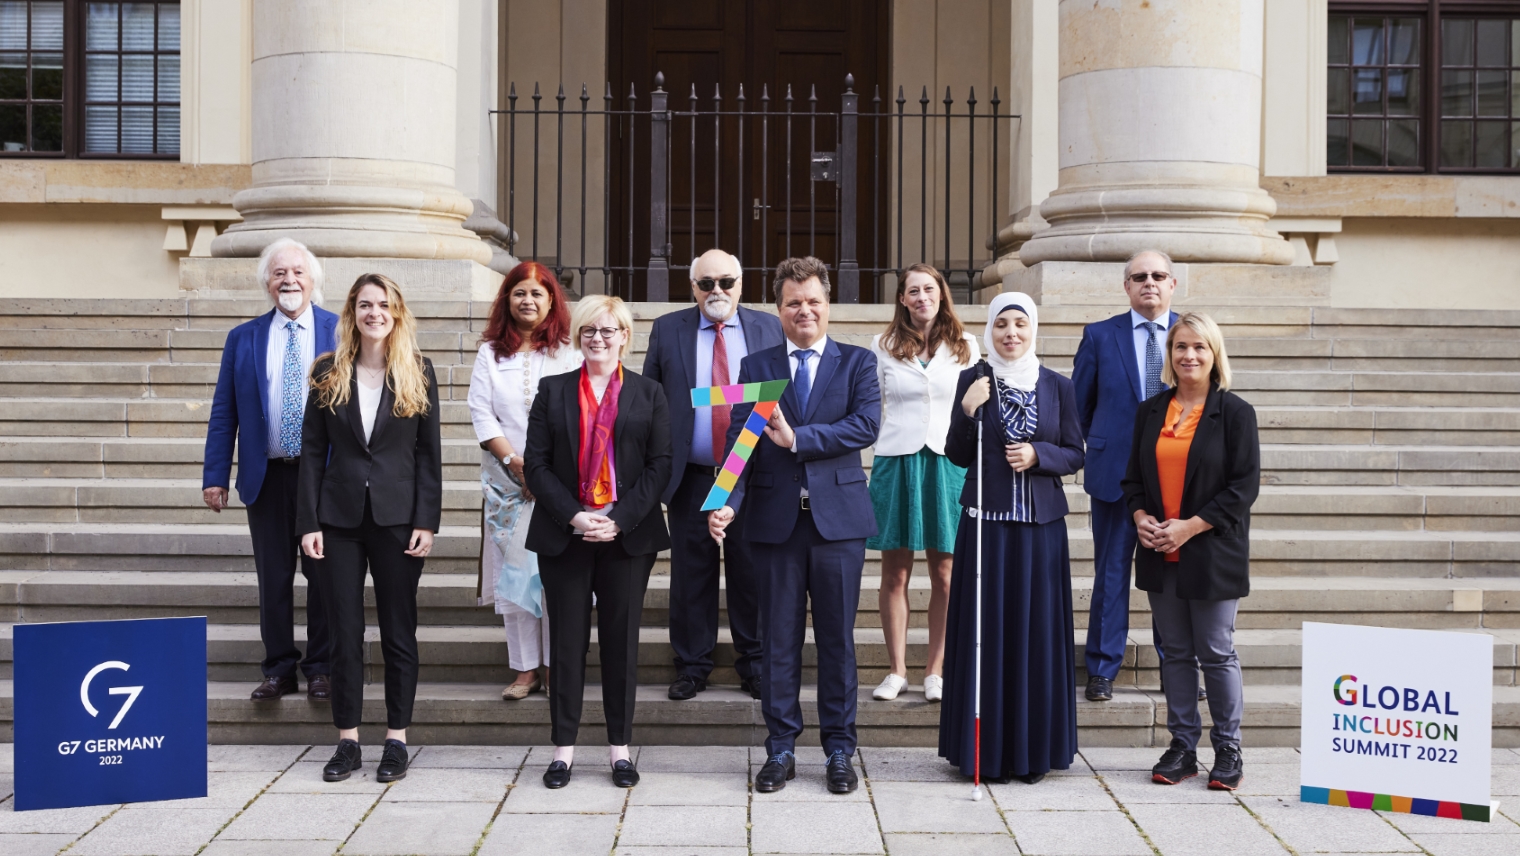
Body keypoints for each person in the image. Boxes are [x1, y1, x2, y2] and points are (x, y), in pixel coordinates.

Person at [708, 257, 881, 795]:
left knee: (837, 642)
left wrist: (798, 439)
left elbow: (865, 425)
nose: (803, 310)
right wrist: (725, 501)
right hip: (773, 522)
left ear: (827, 304)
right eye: (792, 302)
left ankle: (838, 751)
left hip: (839, 524)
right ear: (779, 309)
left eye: (812, 301)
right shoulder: (757, 366)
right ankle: (780, 747)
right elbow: (742, 442)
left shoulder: (856, 363)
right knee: (777, 641)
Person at [297, 273, 443, 785]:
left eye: (383, 304)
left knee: (399, 632)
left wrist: (428, 520)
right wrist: (307, 522)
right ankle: (348, 741)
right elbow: (312, 453)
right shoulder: (326, 371)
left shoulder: (418, 372)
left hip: (398, 520)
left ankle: (397, 740)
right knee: (344, 633)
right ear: (351, 312)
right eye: (364, 304)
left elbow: (429, 455)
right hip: (336, 521)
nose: (374, 312)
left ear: (397, 312)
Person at [523, 294, 672, 790]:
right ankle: (563, 751)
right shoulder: (554, 390)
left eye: (609, 330)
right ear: (576, 336)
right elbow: (536, 464)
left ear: (625, 337)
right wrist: (574, 515)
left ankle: (619, 750)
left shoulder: (649, 394)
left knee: (620, 645)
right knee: (565, 645)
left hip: (626, 537)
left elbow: (660, 466)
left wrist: (620, 518)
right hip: (566, 534)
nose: (599, 338)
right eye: (589, 330)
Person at [939, 291, 1084, 785]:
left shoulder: (1058, 386)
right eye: (1002, 325)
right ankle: (986, 752)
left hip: (1041, 531)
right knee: (988, 635)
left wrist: (1039, 455)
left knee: (1035, 634)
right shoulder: (973, 380)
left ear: (1034, 329)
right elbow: (956, 453)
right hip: (986, 526)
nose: (1011, 334)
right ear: (989, 332)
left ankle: (1032, 751)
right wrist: (965, 410)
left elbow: (1075, 452)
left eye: (1020, 324)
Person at [1122, 312, 1259, 791]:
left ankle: (1228, 747)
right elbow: (1133, 481)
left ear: (1214, 354)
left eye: (1199, 347)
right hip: (1161, 548)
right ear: (1169, 355)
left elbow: (1243, 488)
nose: (1189, 356)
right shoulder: (1151, 411)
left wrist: (1189, 528)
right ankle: (1183, 746)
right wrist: (1142, 520)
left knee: (1216, 651)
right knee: (1176, 652)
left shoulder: (1235, 412)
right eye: (1181, 347)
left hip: (1212, 550)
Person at [643, 249, 784, 701]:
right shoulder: (668, 329)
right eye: (707, 283)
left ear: (742, 284)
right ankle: (691, 665)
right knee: (691, 575)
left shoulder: (769, 327)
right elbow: (651, 400)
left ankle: (756, 663)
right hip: (694, 473)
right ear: (693, 288)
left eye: (726, 282)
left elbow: (780, 393)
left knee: (752, 572)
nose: (717, 291)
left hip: (752, 473)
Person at [203, 238, 337, 703]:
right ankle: (280, 669)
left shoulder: (340, 332)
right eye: (279, 273)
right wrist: (215, 475)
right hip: (268, 475)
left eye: (298, 272)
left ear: (313, 279)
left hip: (323, 479)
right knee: (273, 577)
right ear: (266, 282)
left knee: (322, 578)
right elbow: (225, 411)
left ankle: (321, 668)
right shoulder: (244, 338)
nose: (289, 280)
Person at [1071, 250, 1182, 703]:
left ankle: (1175, 666)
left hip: (1176, 476)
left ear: (1172, 284)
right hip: (1115, 477)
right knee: (1111, 572)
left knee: (1169, 578)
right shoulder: (1100, 336)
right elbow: (1079, 407)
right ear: (1127, 286)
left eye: (1158, 276)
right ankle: (1102, 668)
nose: (1149, 283)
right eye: (1139, 277)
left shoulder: (1189, 336)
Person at [467, 262, 582, 701]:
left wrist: (545, 473)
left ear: (552, 299)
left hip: (558, 484)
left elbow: (578, 413)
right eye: (519, 293)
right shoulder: (490, 353)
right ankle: (524, 669)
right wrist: (516, 463)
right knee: (515, 579)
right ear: (507, 300)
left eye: (537, 293)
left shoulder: (570, 352)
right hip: (508, 486)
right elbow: (481, 413)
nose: (528, 300)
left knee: (554, 577)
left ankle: (556, 666)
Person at [867, 263, 979, 703]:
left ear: (941, 294)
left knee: (946, 573)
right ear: (902, 299)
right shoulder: (882, 344)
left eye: (928, 289)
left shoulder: (966, 345)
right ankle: (896, 670)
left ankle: (936, 670)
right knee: (894, 571)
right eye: (912, 290)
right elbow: (873, 404)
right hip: (897, 460)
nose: (921, 297)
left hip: (948, 461)